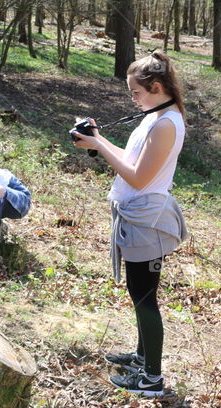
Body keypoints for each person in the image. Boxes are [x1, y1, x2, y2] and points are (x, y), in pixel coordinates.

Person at [72, 50, 189, 399]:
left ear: (155, 86)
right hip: (136, 216)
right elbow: (131, 159)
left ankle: (152, 380)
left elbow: (139, 178)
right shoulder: (155, 116)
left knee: (145, 298)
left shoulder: (167, 123)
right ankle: (142, 357)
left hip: (147, 221)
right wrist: (98, 138)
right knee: (140, 295)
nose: (133, 98)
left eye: (136, 92)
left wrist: (97, 146)